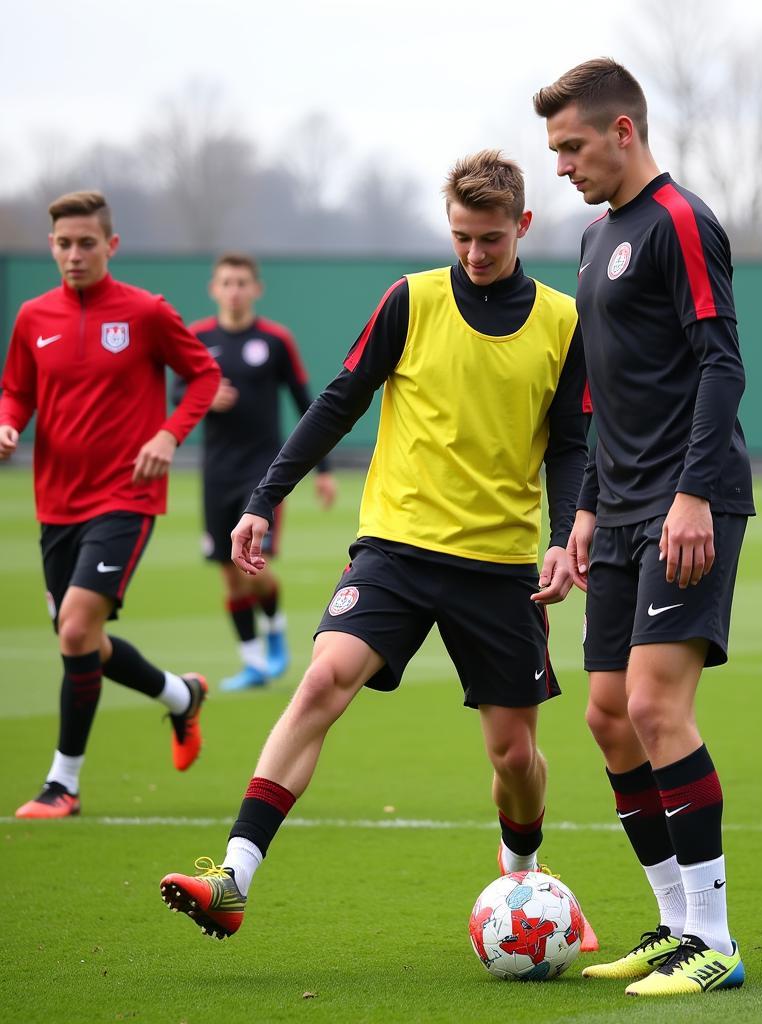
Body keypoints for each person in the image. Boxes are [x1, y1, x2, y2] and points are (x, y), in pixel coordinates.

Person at [159, 150, 597, 948]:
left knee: (514, 756)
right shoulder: (411, 299)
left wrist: (566, 537)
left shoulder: (563, 321)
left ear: (523, 226)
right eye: (461, 236)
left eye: (490, 239)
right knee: (322, 680)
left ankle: (526, 875)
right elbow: (339, 400)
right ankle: (234, 878)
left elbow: (571, 444)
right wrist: (265, 499)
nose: (473, 254)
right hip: (395, 548)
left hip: (500, 566)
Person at [534, 59, 754, 998]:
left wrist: (695, 494)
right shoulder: (594, 237)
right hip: (618, 510)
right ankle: (673, 925)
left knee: (661, 710)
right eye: (554, 149)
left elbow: (722, 363)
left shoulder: (681, 221)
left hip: (685, 505)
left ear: (623, 131)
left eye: (572, 145)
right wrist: (583, 509)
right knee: (608, 716)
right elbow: (599, 394)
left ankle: (716, 941)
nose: (563, 165)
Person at [0, 190, 221, 819]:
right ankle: (181, 697)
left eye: (86, 243)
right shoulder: (32, 317)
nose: (74, 255)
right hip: (55, 504)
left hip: (126, 495)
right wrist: (8, 423)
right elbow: (15, 391)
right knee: (83, 642)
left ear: (111, 246)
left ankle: (62, 784)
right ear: (52, 246)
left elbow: (202, 374)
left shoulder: (146, 312)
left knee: (74, 629)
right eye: (63, 244)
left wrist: (167, 434)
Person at [184, 253, 336, 691]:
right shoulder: (198, 338)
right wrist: (204, 396)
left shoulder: (274, 340)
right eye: (226, 282)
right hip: (215, 472)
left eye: (242, 283)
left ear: (256, 289)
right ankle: (253, 664)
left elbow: (308, 403)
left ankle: (275, 627)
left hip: (263, 472)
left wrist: (323, 470)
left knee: (254, 563)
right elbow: (179, 389)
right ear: (214, 288)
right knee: (229, 573)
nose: (234, 290)